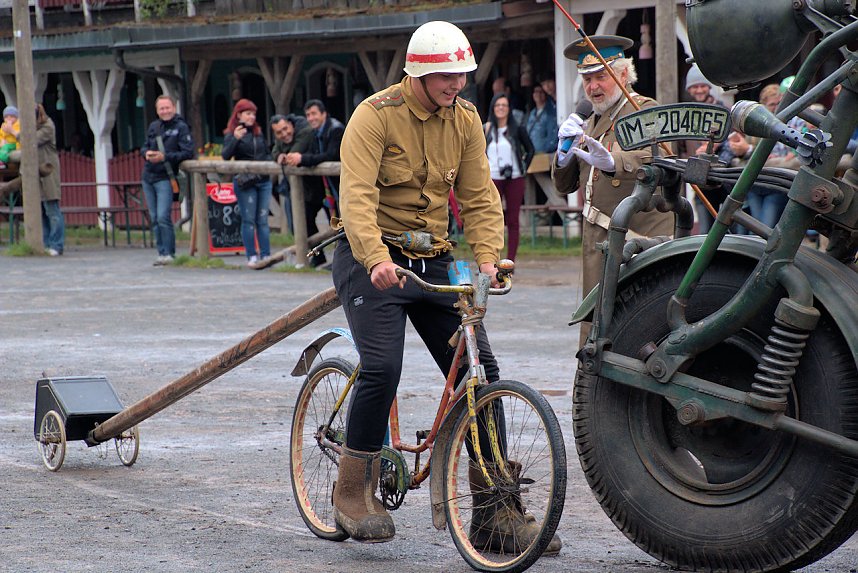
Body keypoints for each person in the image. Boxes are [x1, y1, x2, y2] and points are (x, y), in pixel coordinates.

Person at [331, 20, 561, 555]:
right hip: (373, 259)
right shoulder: (374, 116)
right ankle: (351, 491)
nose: (455, 85)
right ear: (417, 73)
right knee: (384, 365)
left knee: (482, 368)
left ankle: (494, 512)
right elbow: (357, 199)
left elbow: (480, 197)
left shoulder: (464, 119)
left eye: (461, 75)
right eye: (445, 77)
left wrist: (487, 257)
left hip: (434, 260)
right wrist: (375, 259)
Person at [552, 35, 673, 344]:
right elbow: (566, 184)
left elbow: (660, 160)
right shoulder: (589, 120)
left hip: (637, 239)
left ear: (622, 74)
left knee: (635, 326)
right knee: (596, 324)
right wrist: (562, 155)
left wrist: (613, 162)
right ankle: (592, 389)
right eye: (587, 79)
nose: (593, 87)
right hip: (599, 239)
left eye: (601, 76)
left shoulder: (643, 109)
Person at [285, 99, 345, 267]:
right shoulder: (313, 133)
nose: (311, 118)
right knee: (305, 216)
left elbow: (330, 155)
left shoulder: (336, 129)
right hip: (323, 187)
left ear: (323, 114)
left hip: (340, 184)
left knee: (341, 222)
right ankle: (317, 255)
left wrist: (302, 159)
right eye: (308, 115)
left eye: (314, 114)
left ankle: (341, 261)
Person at [141, 95, 194, 266]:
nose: (165, 111)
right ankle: (161, 252)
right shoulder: (153, 127)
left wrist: (165, 157)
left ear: (174, 107)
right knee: (154, 217)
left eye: (167, 107)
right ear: (157, 111)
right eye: (161, 108)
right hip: (148, 175)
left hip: (166, 176)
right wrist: (146, 154)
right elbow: (144, 146)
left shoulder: (181, 127)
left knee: (164, 216)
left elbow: (187, 152)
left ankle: (170, 253)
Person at [222, 98, 273, 267]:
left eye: (253, 114)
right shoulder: (232, 133)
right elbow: (225, 155)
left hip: (263, 179)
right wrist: (235, 138)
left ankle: (266, 255)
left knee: (263, 219)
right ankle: (251, 255)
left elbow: (266, 152)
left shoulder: (258, 133)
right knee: (249, 220)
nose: (252, 117)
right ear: (239, 115)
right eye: (248, 113)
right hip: (245, 182)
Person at [486, 93, 534, 261]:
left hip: (514, 177)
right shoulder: (487, 129)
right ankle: (491, 258)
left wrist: (523, 167)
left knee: (513, 220)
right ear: (493, 107)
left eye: (504, 105)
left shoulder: (517, 128)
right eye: (498, 105)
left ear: (509, 109)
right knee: (492, 218)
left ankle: (510, 261)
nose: (500, 108)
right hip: (493, 177)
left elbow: (530, 150)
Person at [682, 65, 728, 234]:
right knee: (704, 232)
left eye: (702, 85)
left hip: (725, 178)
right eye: (695, 86)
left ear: (709, 87)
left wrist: (718, 144)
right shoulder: (685, 116)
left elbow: (736, 140)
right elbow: (680, 148)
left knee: (729, 229)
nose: (699, 90)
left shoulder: (724, 111)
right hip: (700, 182)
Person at [270, 113, 314, 235]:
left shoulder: (305, 131)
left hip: (315, 186)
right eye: (279, 132)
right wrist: (278, 155)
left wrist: (282, 155)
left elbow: (291, 156)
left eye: (285, 129)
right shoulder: (281, 138)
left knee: (309, 227)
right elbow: (275, 151)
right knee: (295, 228)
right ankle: (310, 254)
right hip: (294, 187)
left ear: (290, 124)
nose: (284, 134)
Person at [36, 104, 64, 256]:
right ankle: (45, 243)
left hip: (48, 173)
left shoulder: (48, 126)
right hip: (36, 175)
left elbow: (32, 140)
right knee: (41, 211)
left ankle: (56, 244)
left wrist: (13, 131)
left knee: (52, 210)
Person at [525, 83, 558, 154]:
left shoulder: (551, 113)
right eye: (536, 92)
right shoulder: (532, 113)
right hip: (532, 154)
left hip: (545, 155)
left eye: (541, 92)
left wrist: (547, 150)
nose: (538, 94)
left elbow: (552, 136)